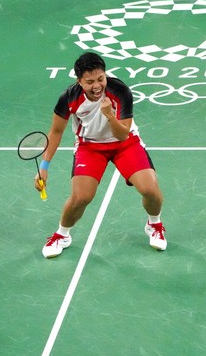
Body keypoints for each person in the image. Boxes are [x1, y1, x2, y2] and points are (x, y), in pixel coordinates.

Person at [35, 52, 167, 258]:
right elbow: (56, 132)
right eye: (90, 82)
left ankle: (155, 224)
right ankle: (62, 235)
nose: (97, 86)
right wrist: (44, 167)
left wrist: (108, 115)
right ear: (79, 81)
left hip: (125, 144)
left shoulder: (120, 91)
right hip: (90, 147)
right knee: (81, 198)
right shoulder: (69, 97)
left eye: (101, 79)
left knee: (150, 189)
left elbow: (122, 134)